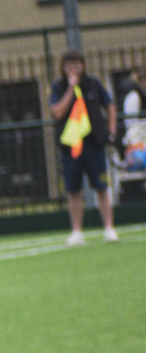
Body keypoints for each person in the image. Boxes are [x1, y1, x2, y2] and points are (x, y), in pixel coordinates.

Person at [49, 53, 119, 242]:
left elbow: (110, 105)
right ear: (63, 67)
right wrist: (71, 88)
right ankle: (77, 231)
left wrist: (111, 130)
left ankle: (109, 228)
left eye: (77, 63)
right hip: (71, 145)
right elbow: (57, 112)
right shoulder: (58, 86)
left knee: (101, 186)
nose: (73, 67)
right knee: (73, 190)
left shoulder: (93, 83)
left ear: (83, 65)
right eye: (69, 64)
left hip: (93, 143)